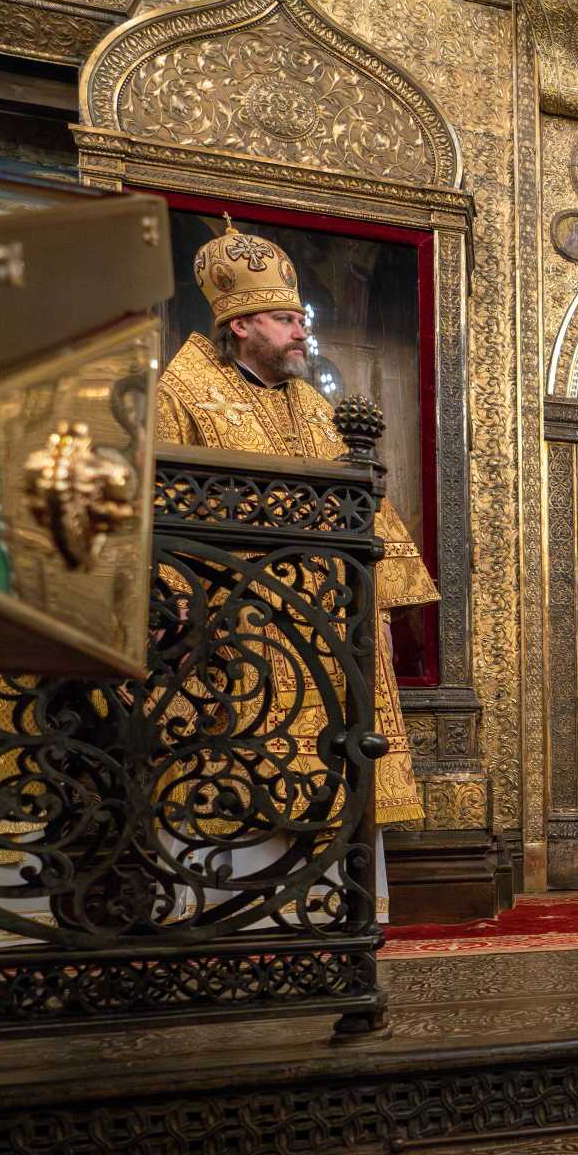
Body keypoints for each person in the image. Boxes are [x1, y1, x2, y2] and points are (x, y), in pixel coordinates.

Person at [154, 216, 439, 831]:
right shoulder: (181, 394)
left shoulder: (310, 403)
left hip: (334, 619)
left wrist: (380, 601)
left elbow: (360, 504)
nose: (302, 331)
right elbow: (164, 517)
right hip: (242, 623)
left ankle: (338, 877)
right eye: (286, 320)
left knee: (342, 773)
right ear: (241, 325)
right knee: (250, 788)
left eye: (301, 319)